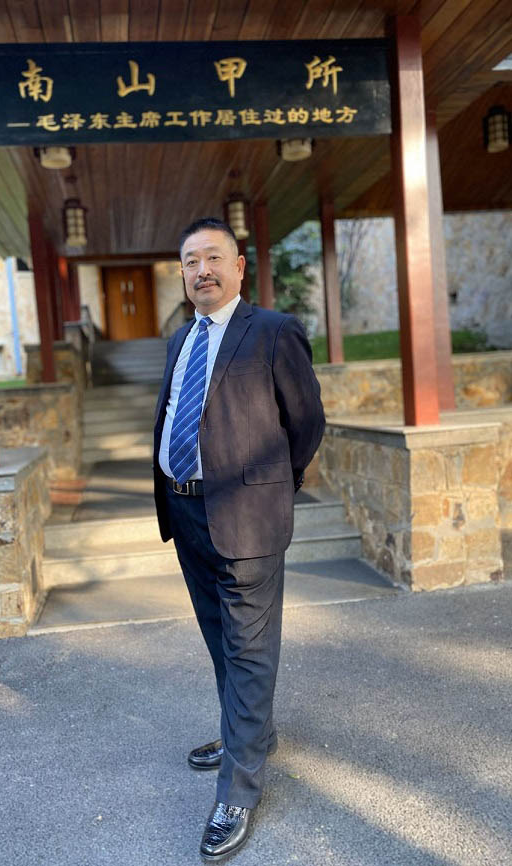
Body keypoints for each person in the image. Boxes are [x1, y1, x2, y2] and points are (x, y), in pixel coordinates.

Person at [153, 217, 325, 862]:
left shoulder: (273, 331)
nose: (202, 270)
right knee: (219, 637)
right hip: (185, 510)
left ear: (239, 266)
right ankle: (247, 735)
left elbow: (306, 422)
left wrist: (272, 485)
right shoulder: (180, 339)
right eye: (190, 261)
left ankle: (238, 791)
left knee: (249, 650)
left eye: (213, 257)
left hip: (248, 515)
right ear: (182, 273)